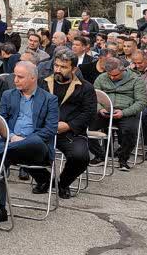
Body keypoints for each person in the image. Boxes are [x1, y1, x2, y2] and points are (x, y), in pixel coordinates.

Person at [0, 61, 59, 225]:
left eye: (20, 77)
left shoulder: (50, 99)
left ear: (33, 78)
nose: (15, 80)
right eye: (15, 76)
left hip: (36, 146)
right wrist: (12, 136)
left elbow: (50, 129)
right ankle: (0, 209)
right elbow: (1, 122)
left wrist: (25, 140)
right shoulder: (8, 95)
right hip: (11, 143)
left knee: (29, 142)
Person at [34, 52, 95, 199]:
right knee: (19, 148)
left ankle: (63, 183)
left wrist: (68, 125)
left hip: (70, 133)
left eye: (63, 67)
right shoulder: (42, 83)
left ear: (74, 69)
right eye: (56, 65)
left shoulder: (85, 87)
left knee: (81, 157)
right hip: (43, 130)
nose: (58, 70)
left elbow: (89, 113)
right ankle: (45, 180)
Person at [91, 57, 147, 170]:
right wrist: (100, 109)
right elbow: (93, 97)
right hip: (105, 111)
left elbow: (141, 102)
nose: (112, 77)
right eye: (109, 75)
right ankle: (100, 155)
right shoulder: (101, 78)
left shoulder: (136, 80)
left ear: (123, 70)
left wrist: (124, 112)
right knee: (83, 126)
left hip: (126, 111)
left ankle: (123, 158)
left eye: (115, 75)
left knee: (130, 131)